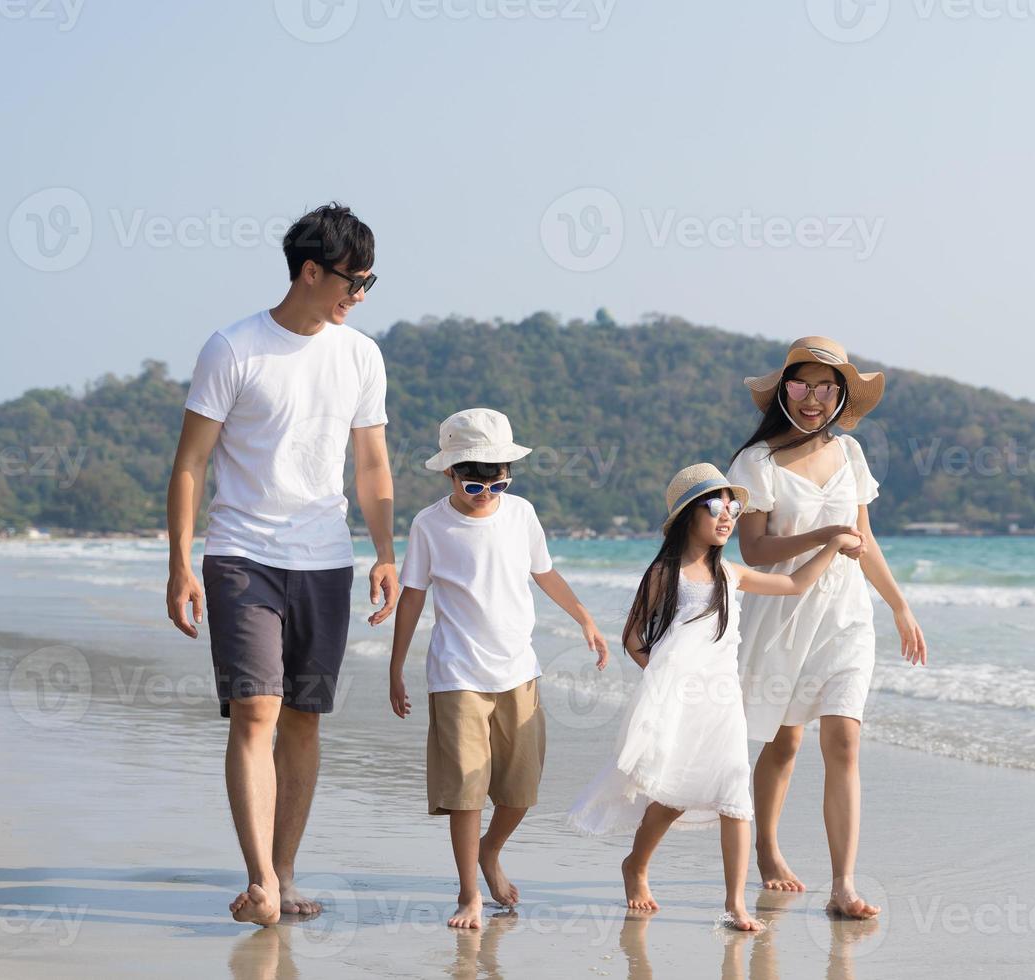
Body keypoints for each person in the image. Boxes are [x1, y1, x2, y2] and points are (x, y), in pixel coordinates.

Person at [165, 203, 399, 926]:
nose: (358, 296)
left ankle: (286, 870)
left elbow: (371, 466)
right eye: (353, 282)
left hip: (324, 559)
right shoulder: (234, 348)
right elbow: (190, 464)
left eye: (367, 282)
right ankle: (261, 878)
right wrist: (180, 565)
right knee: (256, 711)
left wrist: (386, 552)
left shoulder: (359, 355)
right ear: (310, 271)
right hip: (241, 555)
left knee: (303, 719)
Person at [567, 463, 861, 932]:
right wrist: (665, 681)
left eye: (733, 506)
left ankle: (735, 905)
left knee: (733, 796)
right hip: (680, 703)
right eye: (715, 506)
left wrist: (830, 546)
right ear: (688, 515)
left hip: (723, 704)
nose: (727, 515)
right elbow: (633, 637)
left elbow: (793, 585)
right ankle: (636, 865)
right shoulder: (665, 573)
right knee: (672, 794)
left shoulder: (730, 572)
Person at [725, 335, 928, 919]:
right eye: (801, 384)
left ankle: (843, 884)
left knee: (844, 738)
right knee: (784, 742)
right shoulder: (755, 464)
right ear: (782, 391)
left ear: (840, 395)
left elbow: (863, 542)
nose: (812, 398)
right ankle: (766, 847)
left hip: (845, 616)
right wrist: (820, 537)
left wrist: (898, 605)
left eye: (825, 387)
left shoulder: (851, 454)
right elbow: (754, 550)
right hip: (781, 613)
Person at [388, 407, 610, 930]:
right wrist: (396, 667)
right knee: (466, 790)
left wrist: (585, 618)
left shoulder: (522, 514)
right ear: (448, 473)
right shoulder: (429, 525)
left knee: (520, 790)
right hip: (456, 675)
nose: (487, 492)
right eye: (473, 483)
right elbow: (414, 598)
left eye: (499, 481)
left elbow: (545, 574)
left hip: (518, 673)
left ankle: (490, 852)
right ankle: (468, 893)